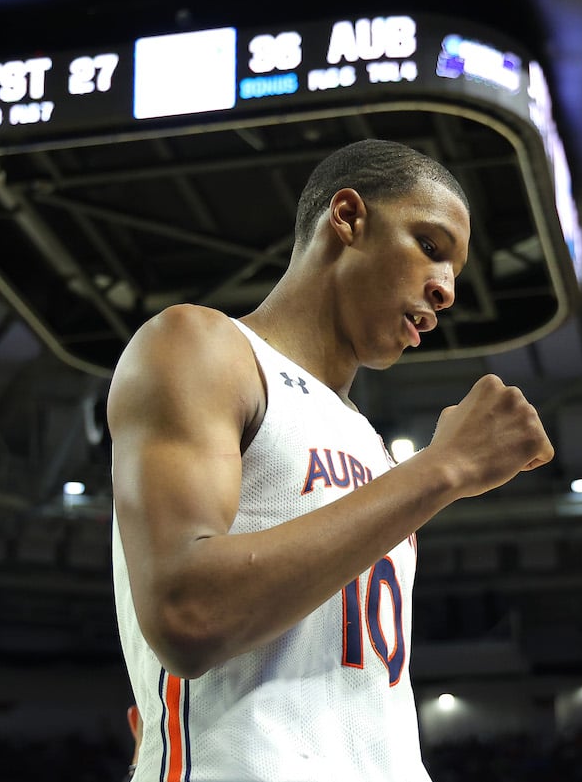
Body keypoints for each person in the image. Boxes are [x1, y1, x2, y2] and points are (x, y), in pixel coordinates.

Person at [109, 138, 554, 781]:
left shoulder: (371, 445)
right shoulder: (203, 346)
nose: (447, 289)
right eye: (431, 247)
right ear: (347, 218)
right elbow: (188, 611)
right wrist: (440, 469)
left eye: (455, 268)